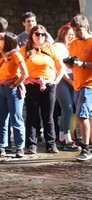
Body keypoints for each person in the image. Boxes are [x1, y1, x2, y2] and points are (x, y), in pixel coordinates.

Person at [68, 14, 92, 161]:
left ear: (85, 27)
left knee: (82, 114)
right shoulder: (73, 43)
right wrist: (70, 63)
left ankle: (85, 148)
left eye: (78, 30)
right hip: (78, 83)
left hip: (91, 83)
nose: (76, 33)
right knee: (89, 115)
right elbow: (74, 61)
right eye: (74, 30)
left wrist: (84, 64)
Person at [20, 25, 61, 154]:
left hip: (48, 85)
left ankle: (51, 143)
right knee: (32, 115)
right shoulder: (24, 50)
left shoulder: (50, 49)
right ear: (31, 36)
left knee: (48, 116)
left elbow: (61, 67)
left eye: (43, 34)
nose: (40, 37)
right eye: (37, 34)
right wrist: (25, 80)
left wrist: (54, 81)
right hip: (31, 85)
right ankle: (32, 144)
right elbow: (15, 68)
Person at [0, 32, 29, 158]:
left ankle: (19, 147)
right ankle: (2, 146)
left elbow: (25, 73)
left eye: (1, 39)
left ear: (7, 42)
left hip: (12, 88)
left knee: (16, 118)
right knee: (2, 119)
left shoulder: (16, 55)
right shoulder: (1, 55)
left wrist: (14, 85)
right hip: (1, 87)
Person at [52, 23, 79, 151]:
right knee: (67, 109)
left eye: (73, 35)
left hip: (74, 79)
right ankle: (68, 139)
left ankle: (62, 137)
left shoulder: (73, 46)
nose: (71, 37)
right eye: (69, 35)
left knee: (68, 110)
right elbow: (59, 67)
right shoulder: (57, 46)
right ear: (63, 34)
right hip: (63, 80)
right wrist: (69, 81)